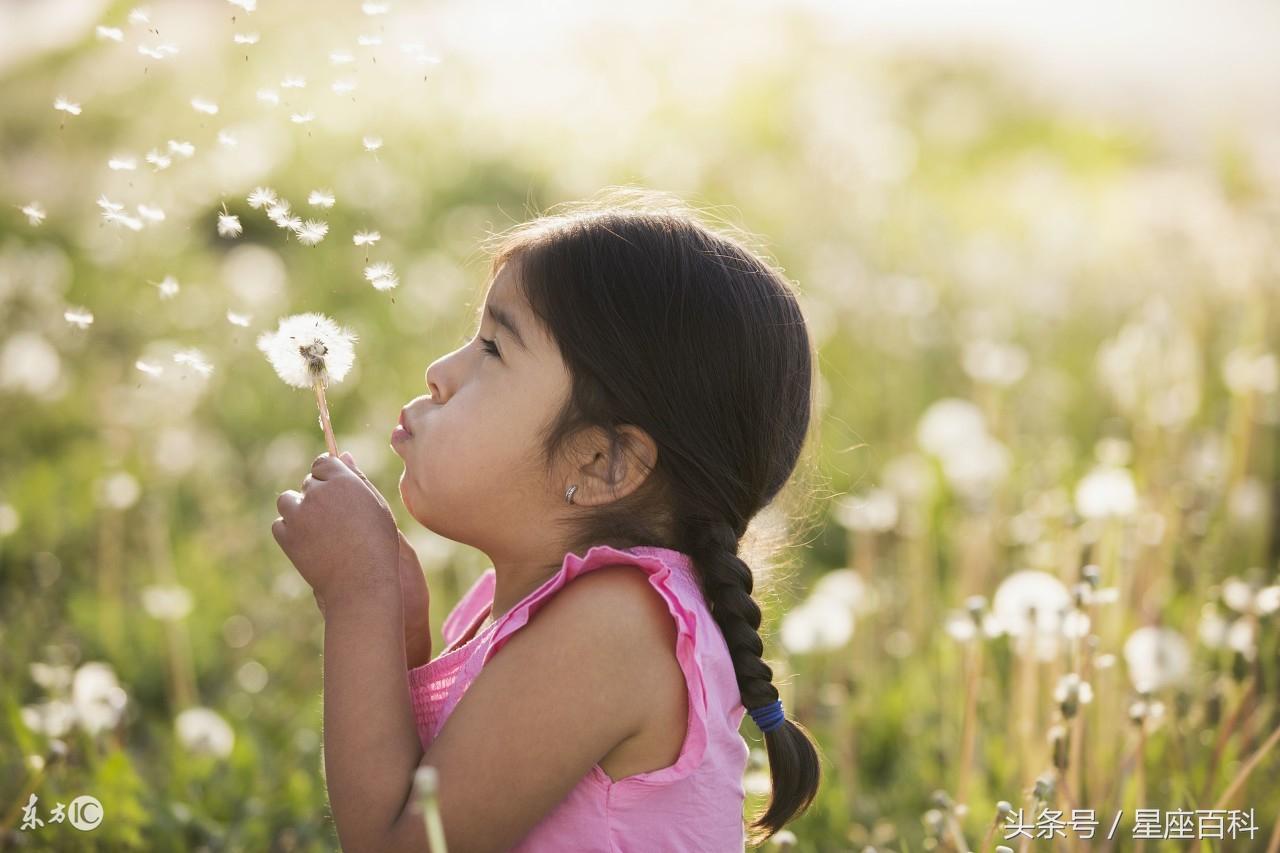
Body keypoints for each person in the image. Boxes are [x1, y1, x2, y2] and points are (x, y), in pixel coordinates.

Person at [271, 186, 822, 852]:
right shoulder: (559, 609)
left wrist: (356, 598)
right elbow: (437, 789)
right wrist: (399, 631)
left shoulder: (616, 626)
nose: (439, 372)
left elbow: (401, 843)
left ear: (601, 461)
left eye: (494, 349)